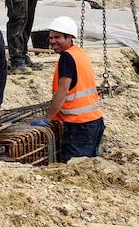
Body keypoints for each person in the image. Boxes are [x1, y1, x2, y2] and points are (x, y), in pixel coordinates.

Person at [32, 16, 105, 160]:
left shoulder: (67, 57)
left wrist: (48, 117)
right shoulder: (80, 53)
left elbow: (63, 91)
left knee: (74, 165)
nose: (52, 41)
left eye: (57, 37)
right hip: (95, 121)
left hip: (80, 126)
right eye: (51, 37)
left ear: (70, 37)